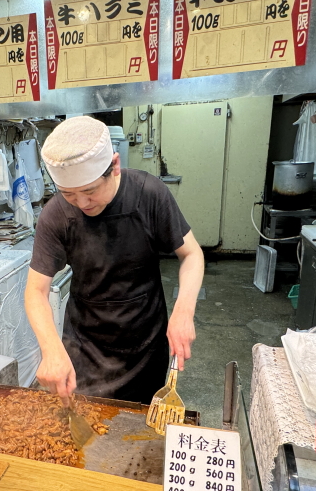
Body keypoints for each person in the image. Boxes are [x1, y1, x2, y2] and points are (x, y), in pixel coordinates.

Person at [24, 116, 204, 404]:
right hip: (86, 347)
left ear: (115, 165)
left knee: (141, 433)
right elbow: (36, 291)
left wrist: (184, 310)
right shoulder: (56, 215)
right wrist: (51, 349)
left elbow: (191, 254)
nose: (82, 204)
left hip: (145, 342)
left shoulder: (149, 194)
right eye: (69, 194)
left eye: (90, 191)